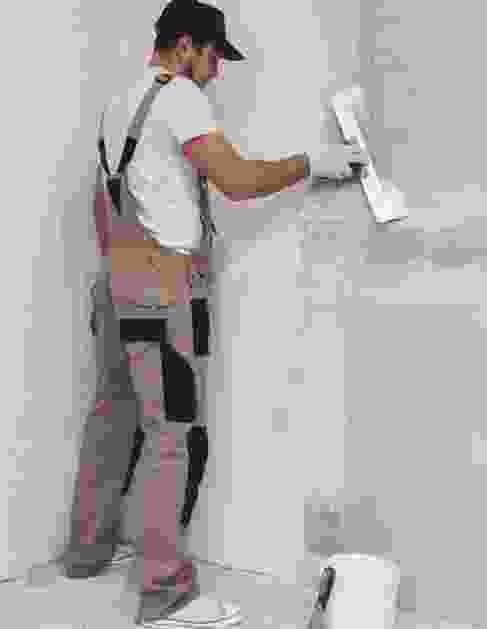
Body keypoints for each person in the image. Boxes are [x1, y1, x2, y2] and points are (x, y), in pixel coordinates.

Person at [63, 0, 370, 627]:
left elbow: (106, 204)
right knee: (171, 435)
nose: (216, 71)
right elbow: (236, 179)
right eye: (213, 56)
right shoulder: (178, 97)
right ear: (184, 45)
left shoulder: (119, 101)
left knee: (112, 417)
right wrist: (312, 163)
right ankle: (165, 593)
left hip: (117, 284)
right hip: (161, 292)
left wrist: (130, 266)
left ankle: (86, 554)